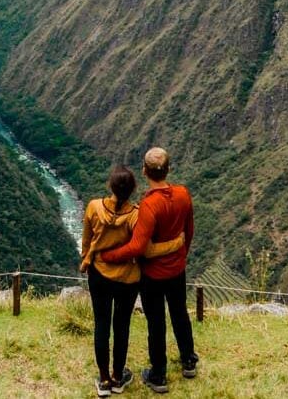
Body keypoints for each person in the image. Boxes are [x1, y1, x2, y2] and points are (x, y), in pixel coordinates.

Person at [100, 147, 197, 393]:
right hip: (177, 270)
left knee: (156, 322)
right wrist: (180, 255)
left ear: (144, 171)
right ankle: (188, 360)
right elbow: (189, 231)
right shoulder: (183, 194)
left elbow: (137, 247)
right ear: (168, 169)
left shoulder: (149, 206)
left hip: (153, 275)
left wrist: (108, 256)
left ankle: (159, 375)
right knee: (180, 313)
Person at [81, 165, 184, 397]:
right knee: (121, 326)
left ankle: (104, 380)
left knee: (101, 324)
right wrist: (176, 244)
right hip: (127, 279)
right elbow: (147, 250)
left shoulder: (94, 207)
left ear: (110, 185)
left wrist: (87, 260)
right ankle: (118, 377)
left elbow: (86, 240)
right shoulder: (137, 215)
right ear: (133, 189)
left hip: (99, 275)